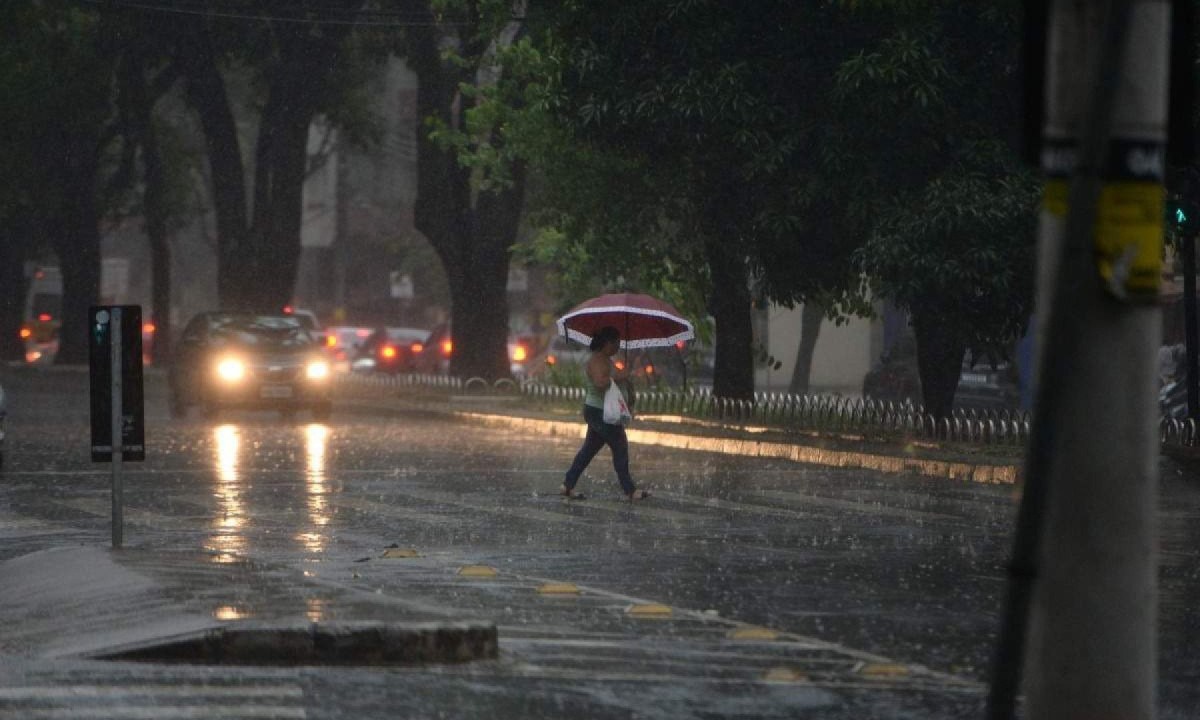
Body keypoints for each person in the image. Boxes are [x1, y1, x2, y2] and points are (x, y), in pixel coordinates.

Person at [561, 326, 651, 501]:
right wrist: (618, 377)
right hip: (600, 412)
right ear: (607, 343)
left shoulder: (606, 360)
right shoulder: (597, 361)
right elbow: (600, 383)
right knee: (620, 447)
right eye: (616, 343)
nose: (618, 346)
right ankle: (630, 490)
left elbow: (613, 382)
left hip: (602, 412)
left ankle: (567, 485)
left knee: (588, 451)